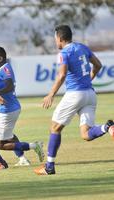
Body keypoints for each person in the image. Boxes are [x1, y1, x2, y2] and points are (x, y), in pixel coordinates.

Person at [34, 25, 114, 175]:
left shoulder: (64, 53)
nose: (55, 41)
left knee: (55, 128)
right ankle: (108, 127)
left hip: (75, 95)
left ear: (60, 38)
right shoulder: (82, 47)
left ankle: (49, 167)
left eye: (55, 39)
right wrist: (89, 79)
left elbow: (62, 75)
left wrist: (51, 94)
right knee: (86, 134)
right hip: (90, 94)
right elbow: (98, 65)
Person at [0, 46, 44, 166]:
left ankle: (34, 146)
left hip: (7, 110)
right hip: (10, 108)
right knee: (10, 137)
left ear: (1, 58)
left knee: (0, 144)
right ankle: (23, 159)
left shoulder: (5, 69)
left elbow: (9, 86)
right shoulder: (2, 69)